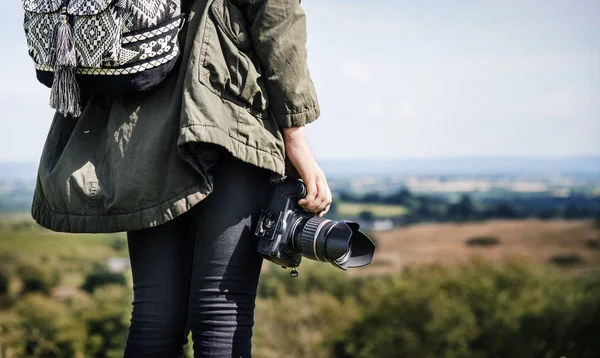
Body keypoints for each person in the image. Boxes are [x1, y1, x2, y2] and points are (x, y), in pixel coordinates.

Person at [30, 0, 331, 356]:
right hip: (222, 109)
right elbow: (276, 18)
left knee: (155, 314)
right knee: (220, 310)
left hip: (137, 117)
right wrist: (294, 136)